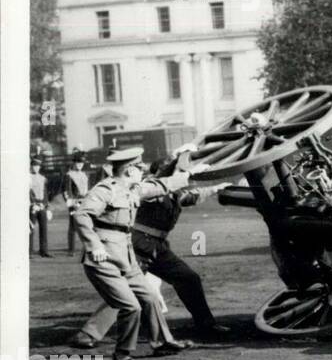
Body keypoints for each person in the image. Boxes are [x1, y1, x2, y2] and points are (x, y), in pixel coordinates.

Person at [71, 148, 229, 348]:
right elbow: (161, 183)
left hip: (158, 248)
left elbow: (189, 195)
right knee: (126, 291)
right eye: (138, 168)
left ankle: (205, 325)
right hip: (137, 245)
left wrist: (216, 188)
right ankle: (89, 334)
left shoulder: (168, 193)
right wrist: (180, 166)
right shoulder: (142, 188)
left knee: (188, 278)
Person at [63, 151, 91, 254]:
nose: (80, 165)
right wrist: (72, 203)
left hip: (84, 201)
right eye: (78, 163)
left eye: (81, 163)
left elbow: (87, 190)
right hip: (74, 202)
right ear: (74, 163)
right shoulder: (69, 175)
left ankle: (87, 247)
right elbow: (67, 191)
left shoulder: (84, 175)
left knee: (86, 224)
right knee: (73, 225)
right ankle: (71, 249)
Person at [30, 157, 52, 258]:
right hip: (32, 205)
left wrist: (45, 204)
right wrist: (33, 203)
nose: (36, 168)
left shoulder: (43, 178)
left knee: (44, 228)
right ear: (31, 166)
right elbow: (27, 193)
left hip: (42, 205)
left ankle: (44, 250)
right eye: (34, 165)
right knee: (30, 228)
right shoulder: (27, 177)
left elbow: (45, 193)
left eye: (38, 166)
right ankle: (29, 251)